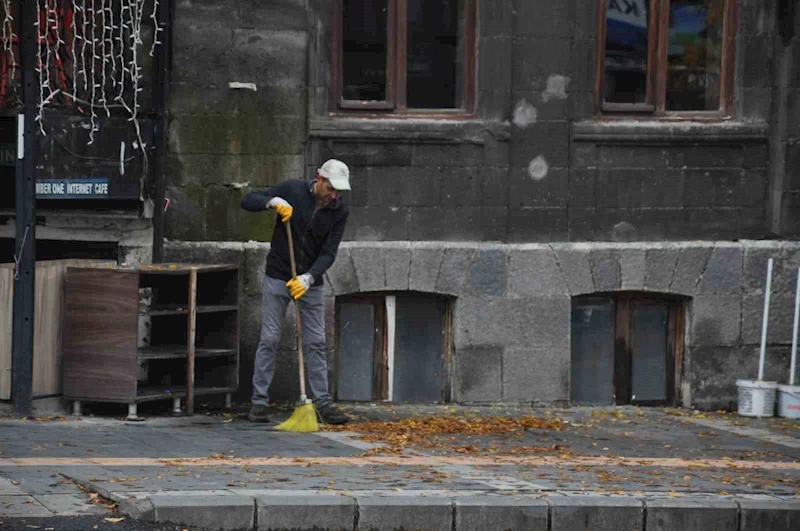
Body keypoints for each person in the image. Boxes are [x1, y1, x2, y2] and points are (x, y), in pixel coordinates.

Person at [240, 159, 351, 425]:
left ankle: (323, 404)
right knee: (269, 339)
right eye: (331, 188)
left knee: (316, 343)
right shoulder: (292, 190)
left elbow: (328, 252)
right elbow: (248, 199)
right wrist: (273, 202)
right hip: (278, 274)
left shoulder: (339, 211)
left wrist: (309, 278)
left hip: (309, 281)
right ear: (319, 179)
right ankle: (259, 403)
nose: (334, 195)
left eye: (339, 191)